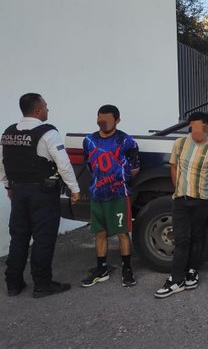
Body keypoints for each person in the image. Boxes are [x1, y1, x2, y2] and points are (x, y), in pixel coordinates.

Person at [0, 93, 80, 298]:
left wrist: (8, 185)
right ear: (37, 110)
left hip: (18, 192)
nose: (47, 109)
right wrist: (74, 189)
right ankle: (42, 284)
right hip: (42, 193)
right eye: (45, 106)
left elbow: (3, 162)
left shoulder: (8, 133)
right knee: (43, 237)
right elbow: (63, 164)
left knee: (19, 237)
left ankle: (13, 283)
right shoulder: (48, 133)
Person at [154, 112, 208, 298]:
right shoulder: (180, 144)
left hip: (203, 199)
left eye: (200, 128)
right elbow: (174, 166)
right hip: (181, 198)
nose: (196, 132)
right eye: (193, 128)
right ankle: (176, 280)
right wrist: (178, 187)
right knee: (181, 239)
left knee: (198, 237)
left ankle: (192, 271)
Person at [80, 105, 140, 288]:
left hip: (119, 195)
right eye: (100, 119)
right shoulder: (89, 141)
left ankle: (127, 269)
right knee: (100, 233)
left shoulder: (126, 141)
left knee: (122, 233)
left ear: (117, 120)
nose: (103, 122)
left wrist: (117, 180)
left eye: (107, 119)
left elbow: (134, 169)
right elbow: (90, 165)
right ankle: (101, 269)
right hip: (97, 194)